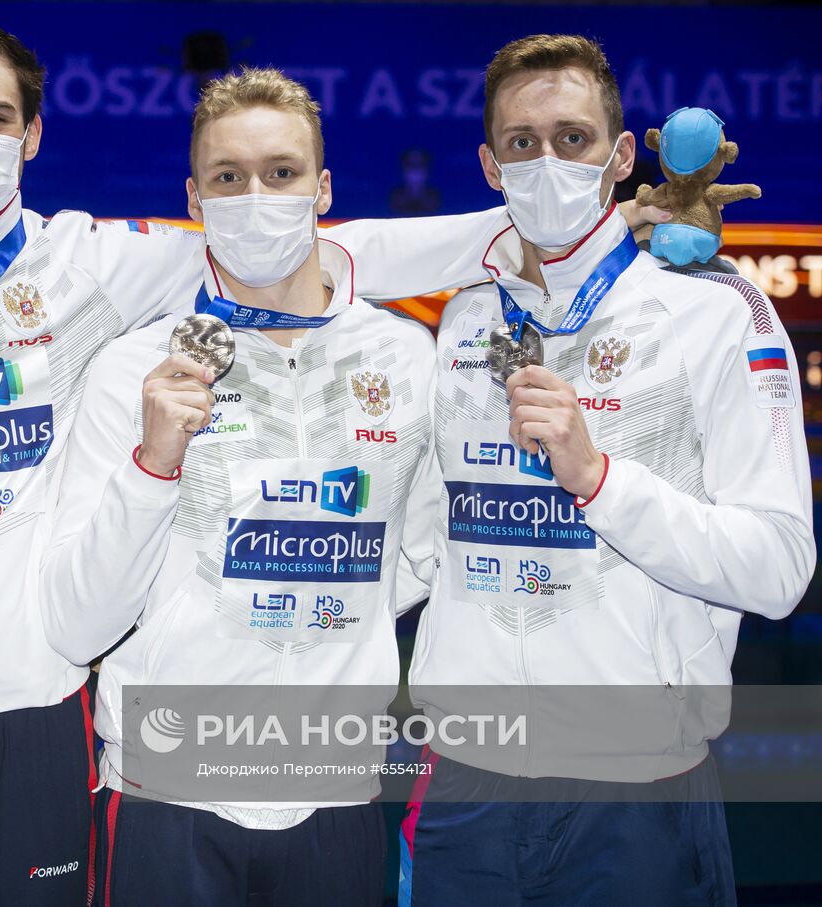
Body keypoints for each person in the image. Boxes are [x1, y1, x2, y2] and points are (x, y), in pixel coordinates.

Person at [0, 14, 673, 905]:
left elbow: (325, 252)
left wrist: (603, 217)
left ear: (31, 135)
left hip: (42, 708)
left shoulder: (100, 262)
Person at [397, 34, 814, 907]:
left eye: (573, 138)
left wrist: (598, 479)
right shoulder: (467, 319)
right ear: (488, 163)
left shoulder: (716, 313)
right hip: (467, 774)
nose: (547, 161)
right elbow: (431, 537)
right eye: (521, 142)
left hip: (636, 785)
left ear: (622, 156)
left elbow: (778, 569)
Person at [41, 67, 443, 906]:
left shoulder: (405, 356)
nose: (255, 196)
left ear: (323, 187)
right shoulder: (132, 367)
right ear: (195, 198)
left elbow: (414, 559)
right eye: (229, 178)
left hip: (336, 788)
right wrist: (153, 466)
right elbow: (77, 620)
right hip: (167, 789)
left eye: (281, 172)